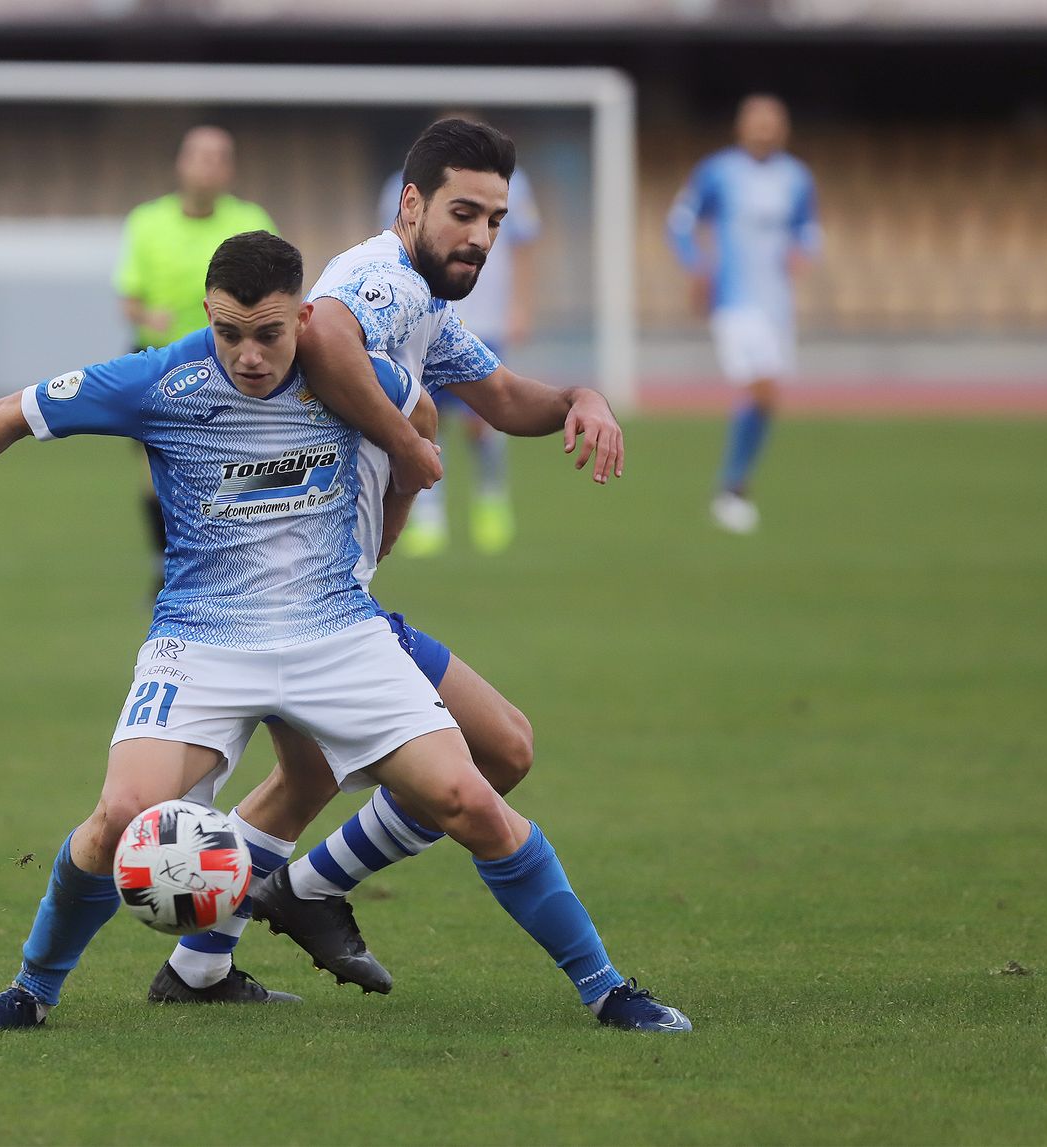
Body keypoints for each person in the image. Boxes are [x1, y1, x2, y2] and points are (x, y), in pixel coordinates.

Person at [0, 229, 690, 1034]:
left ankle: (608, 990)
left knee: (469, 797)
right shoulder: (163, 379)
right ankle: (29, 992)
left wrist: (395, 512)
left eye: (268, 333)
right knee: (121, 814)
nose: (249, 355)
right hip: (202, 639)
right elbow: (10, 413)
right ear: (208, 315)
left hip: (336, 632)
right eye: (230, 333)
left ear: (302, 318)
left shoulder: (348, 378)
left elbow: (419, 413)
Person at [151, 121, 688, 1031]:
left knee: (474, 755)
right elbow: (324, 337)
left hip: (331, 599)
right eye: (463, 213)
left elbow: (503, 396)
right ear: (412, 204)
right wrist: (406, 442)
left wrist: (582, 397)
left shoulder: (424, 301)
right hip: (307, 606)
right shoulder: (382, 280)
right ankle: (603, 989)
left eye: (496, 219)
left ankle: (231, 941)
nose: (481, 236)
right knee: (473, 779)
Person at [115, 125, 279, 588]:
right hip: (161, 363)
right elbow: (128, 299)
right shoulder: (147, 222)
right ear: (180, 164)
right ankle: (165, 563)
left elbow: (280, 291)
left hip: (235, 364)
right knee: (158, 473)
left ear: (231, 169)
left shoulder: (251, 219)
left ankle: (238, 564)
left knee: (236, 471)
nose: (210, 166)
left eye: (220, 157)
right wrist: (148, 315)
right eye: (201, 156)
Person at [376, 116, 542, 556]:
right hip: (424, 320)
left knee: (481, 420)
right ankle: (428, 515)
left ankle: (491, 498)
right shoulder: (401, 186)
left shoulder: (511, 184)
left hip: (484, 319)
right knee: (424, 416)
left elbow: (524, 244)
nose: (481, 235)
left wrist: (520, 304)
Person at [666, 94, 821, 534]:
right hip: (735, 300)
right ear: (741, 126)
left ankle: (734, 486)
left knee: (768, 398)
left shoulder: (797, 177)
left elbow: (808, 229)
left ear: (783, 129)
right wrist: (698, 267)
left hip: (777, 304)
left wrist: (802, 253)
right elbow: (679, 223)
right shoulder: (718, 171)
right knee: (762, 387)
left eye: (772, 122)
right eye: (757, 121)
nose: (764, 130)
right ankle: (731, 490)